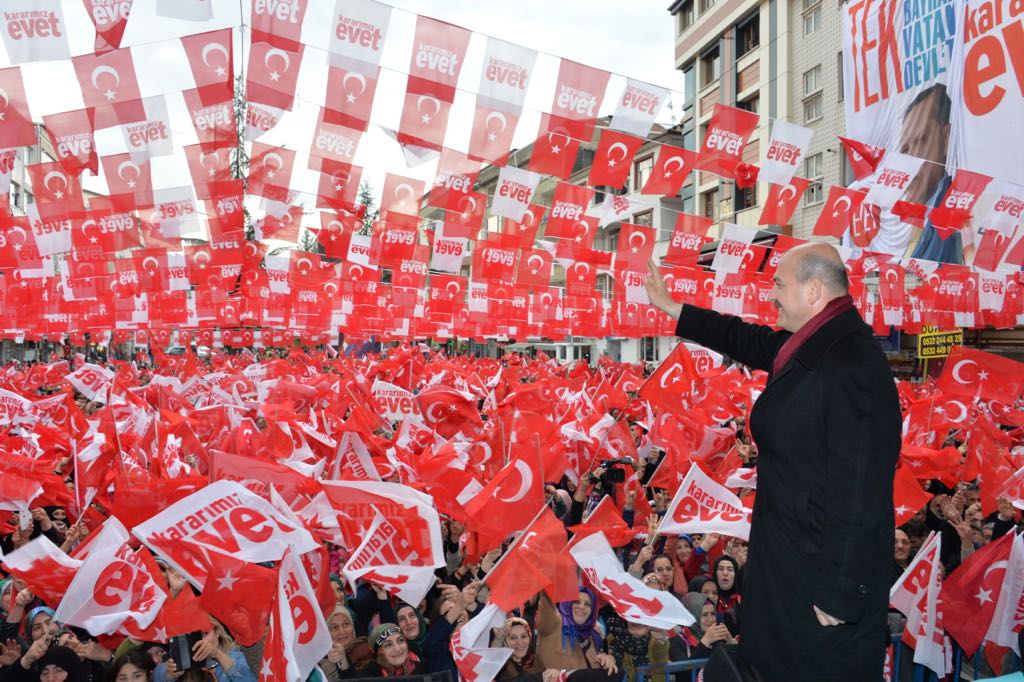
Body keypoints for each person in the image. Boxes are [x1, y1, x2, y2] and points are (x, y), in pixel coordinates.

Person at [645, 243, 902, 682]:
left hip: (819, 593)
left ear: (814, 290)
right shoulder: (811, 345)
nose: (771, 296)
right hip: (789, 566)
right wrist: (675, 309)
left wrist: (840, 593)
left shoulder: (853, 364)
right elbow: (747, 338)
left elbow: (861, 492)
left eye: (779, 285)